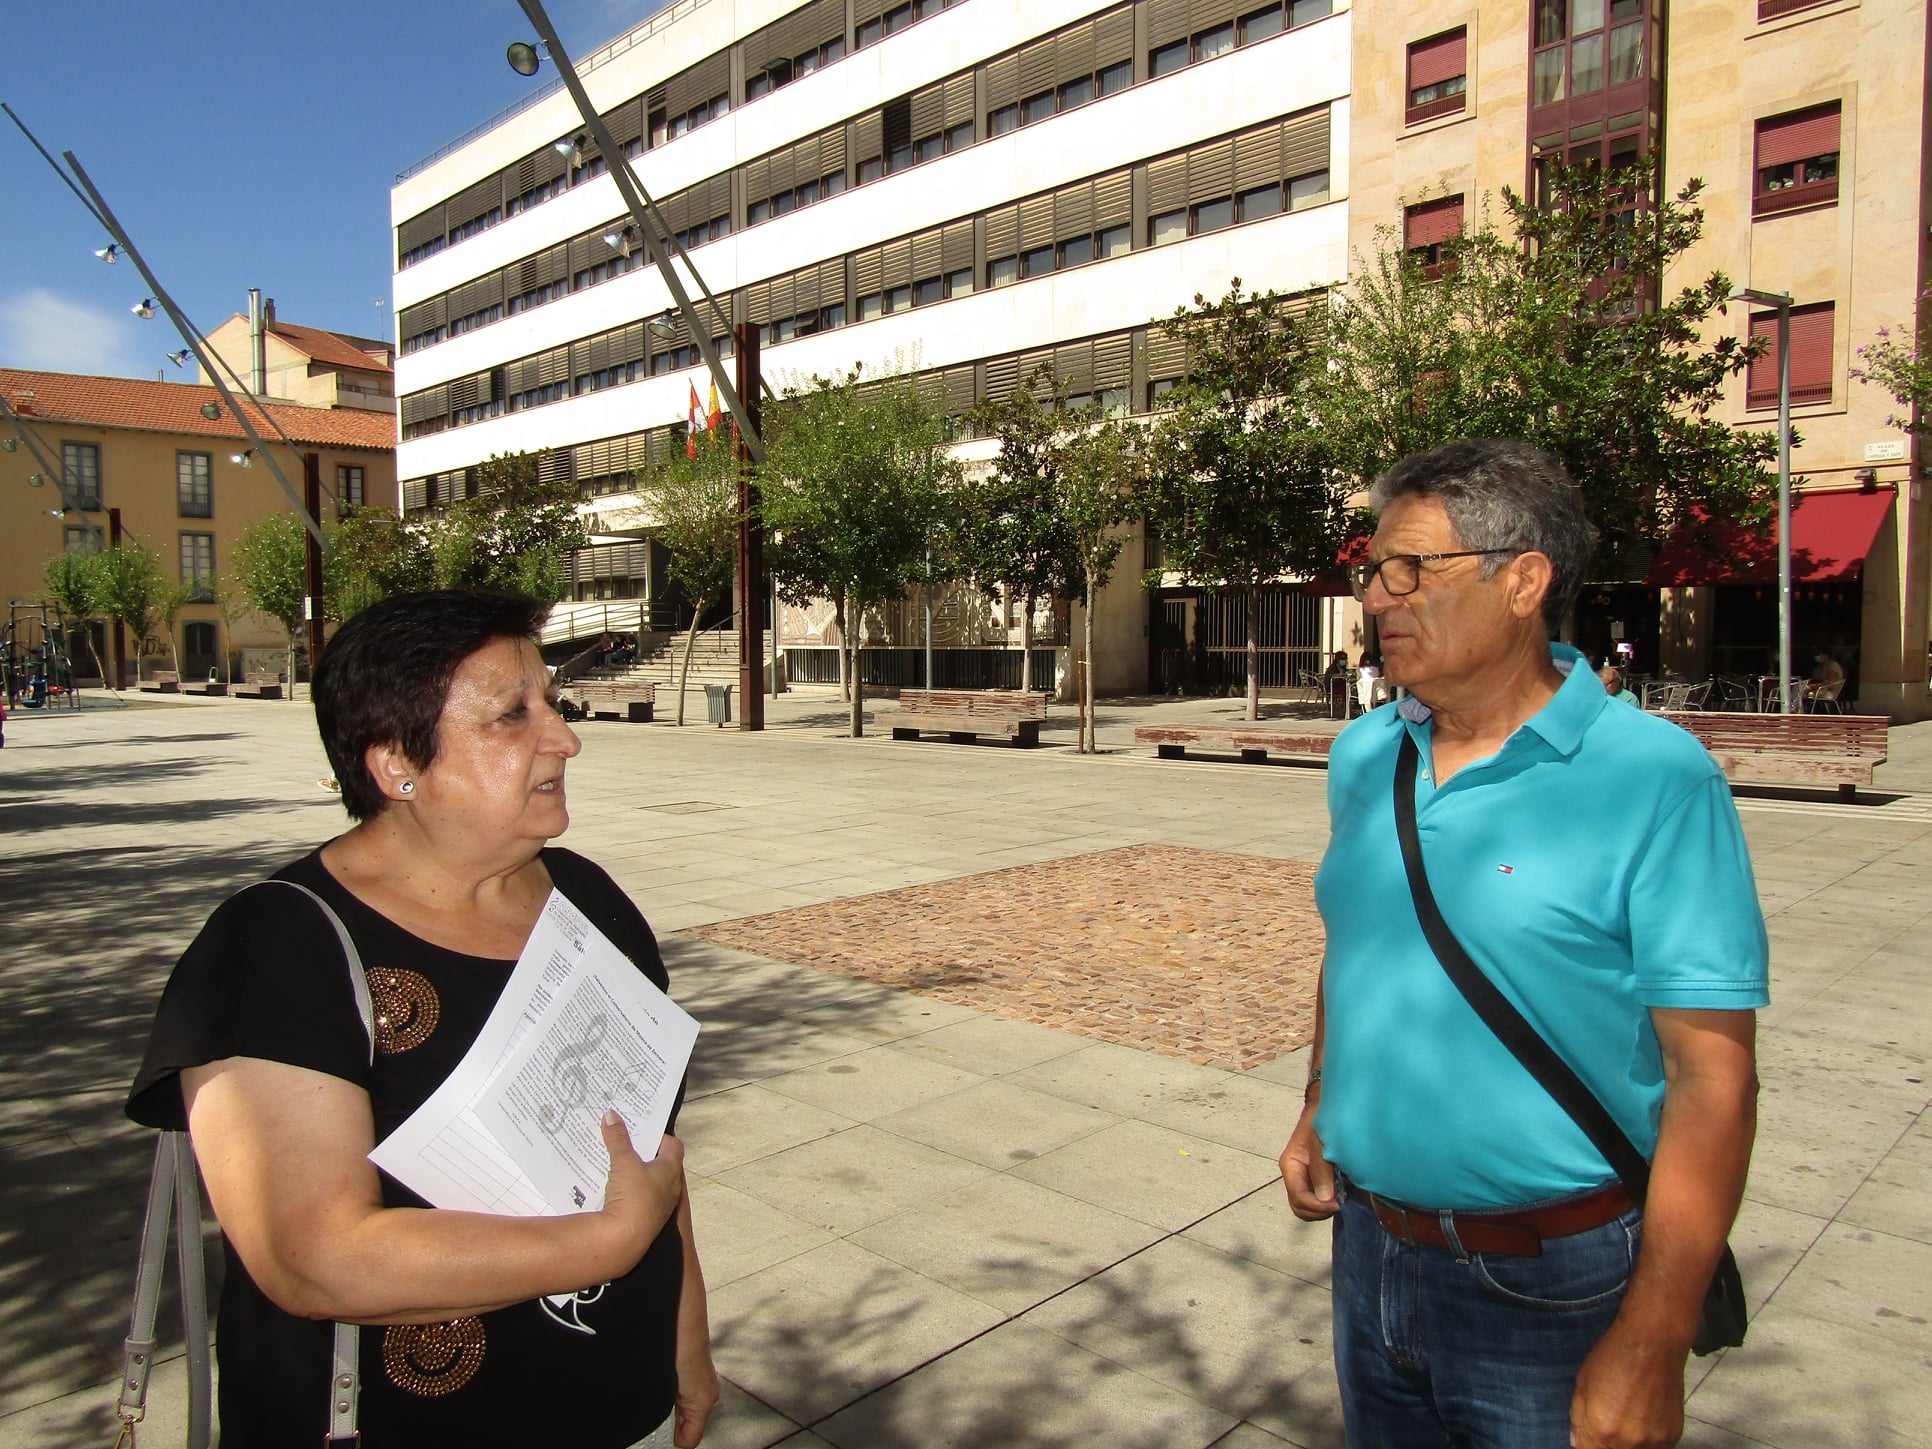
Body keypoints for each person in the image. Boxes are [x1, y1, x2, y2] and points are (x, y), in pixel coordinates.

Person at [127, 590, 719, 1448]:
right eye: (512, 716)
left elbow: (653, 1155)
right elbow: (316, 1257)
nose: (564, 736)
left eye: (549, 701)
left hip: (613, 1408)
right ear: (397, 765)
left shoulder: (590, 901)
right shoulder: (275, 946)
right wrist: (608, 1242)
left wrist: (686, 1339)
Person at [1282, 440, 1767, 1449]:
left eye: (1412, 570)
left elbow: (1711, 1080)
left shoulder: (1656, 779)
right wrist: (1319, 1105)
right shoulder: (1367, 755)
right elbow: (1361, 946)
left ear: (1524, 581)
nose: (1378, 598)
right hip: (1371, 1252)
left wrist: (1653, 1341)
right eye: (1374, 571)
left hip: (1557, 1285)